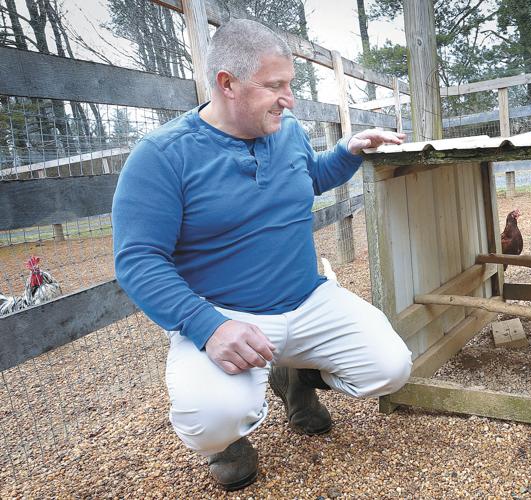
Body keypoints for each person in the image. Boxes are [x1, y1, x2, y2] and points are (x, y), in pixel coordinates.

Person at [112, 18, 411, 491]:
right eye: (275, 86)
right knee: (211, 417)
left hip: (308, 299)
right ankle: (228, 443)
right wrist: (209, 327)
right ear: (226, 84)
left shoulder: (285, 129)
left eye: (289, 84)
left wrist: (348, 151)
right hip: (226, 314)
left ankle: (294, 375)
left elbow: (307, 178)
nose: (289, 98)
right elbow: (138, 261)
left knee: (391, 368)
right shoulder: (162, 156)